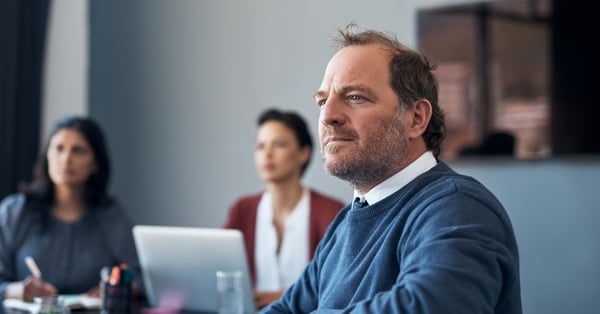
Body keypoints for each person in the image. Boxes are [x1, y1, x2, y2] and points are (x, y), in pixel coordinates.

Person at [262, 23, 522, 313]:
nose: (328, 116)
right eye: (323, 101)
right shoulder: (345, 223)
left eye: (355, 97)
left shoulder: (458, 205)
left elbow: (426, 307)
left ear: (416, 118)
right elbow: (285, 309)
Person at [0, 115, 141, 309]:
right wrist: (14, 290)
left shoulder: (111, 216)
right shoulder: (14, 212)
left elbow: (138, 276)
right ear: (47, 156)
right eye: (58, 149)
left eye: (79, 151)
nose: (66, 159)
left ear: (95, 163)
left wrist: (121, 288)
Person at [224, 108, 344, 309]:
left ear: (304, 153)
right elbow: (222, 271)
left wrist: (285, 297)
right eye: (260, 146)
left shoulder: (331, 212)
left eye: (278, 145)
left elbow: (338, 282)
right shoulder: (242, 209)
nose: (267, 154)